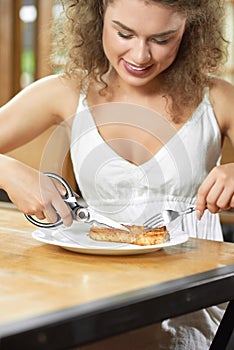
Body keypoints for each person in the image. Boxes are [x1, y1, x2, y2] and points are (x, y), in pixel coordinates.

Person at [0, 0, 233, 348]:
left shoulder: (217, 98)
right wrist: (6, 170)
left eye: (162, 38)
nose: (140, 55)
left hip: (191, 304)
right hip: (91, 297)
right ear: (98, 18)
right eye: (124, 33)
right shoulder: (65, 92)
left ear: (190, 31)